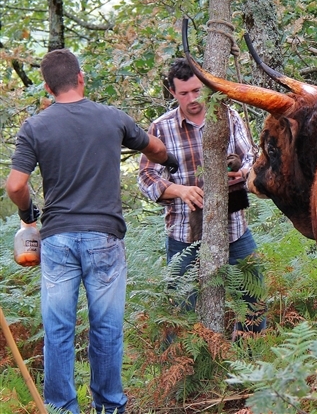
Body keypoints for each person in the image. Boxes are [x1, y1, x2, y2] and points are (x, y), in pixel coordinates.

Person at [5, 48, 179, 414]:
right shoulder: (111, 118)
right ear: (81, 77)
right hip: (104, 237)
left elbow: (16, 186)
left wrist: (28, 214)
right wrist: (171, 162)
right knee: (106, 328)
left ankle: (62, 408)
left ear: (49, 88)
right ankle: (110, 406)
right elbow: (157, 147)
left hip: (58, 240)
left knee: (58, 330)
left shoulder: (35, 127)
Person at [137, 58, 265, 335]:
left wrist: (241, 173)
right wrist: (179, 191)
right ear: (172, 93)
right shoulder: (161, 128)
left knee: (253, 301)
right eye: (184, 93)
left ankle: (248, 365)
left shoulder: (228, 116)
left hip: (235, 229)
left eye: (197, 91)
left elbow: (251, 157)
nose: (192, 99)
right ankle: (190, 372)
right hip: (184, 235)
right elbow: (147, 178)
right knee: (181, 312)